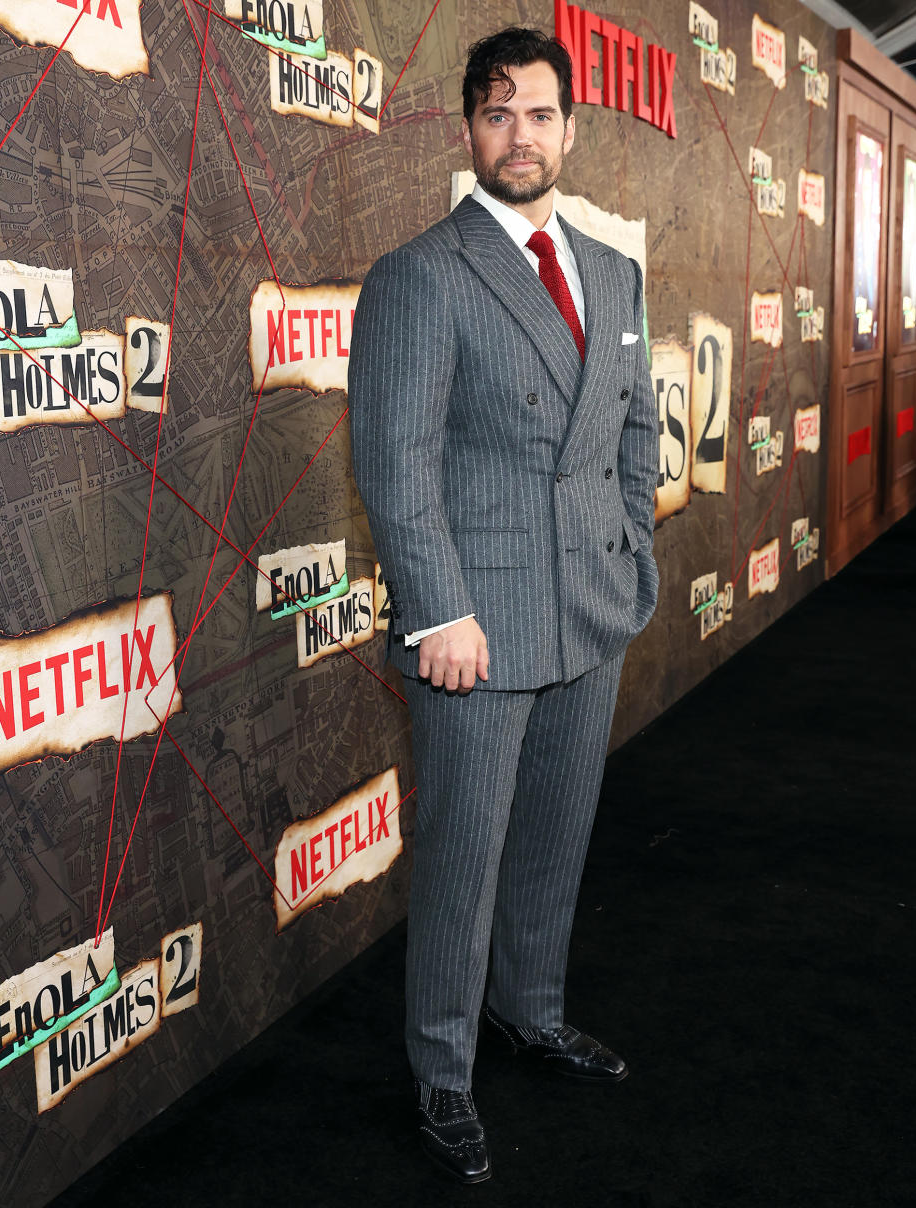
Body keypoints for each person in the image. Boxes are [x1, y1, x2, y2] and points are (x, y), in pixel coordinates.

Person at [348, 26, 658, 1184]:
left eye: (538, 112)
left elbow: (635, 428)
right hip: (476, 626)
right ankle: (441, 1072)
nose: (518, 134)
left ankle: (531, 1010)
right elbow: (395, 464)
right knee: (463, 855)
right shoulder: (422, 274)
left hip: (592, 608)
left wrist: (634, 560)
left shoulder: (614, 272)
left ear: (571, 129)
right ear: (468, 129)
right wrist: (439, 613)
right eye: (496, 113)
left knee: (554, 839)